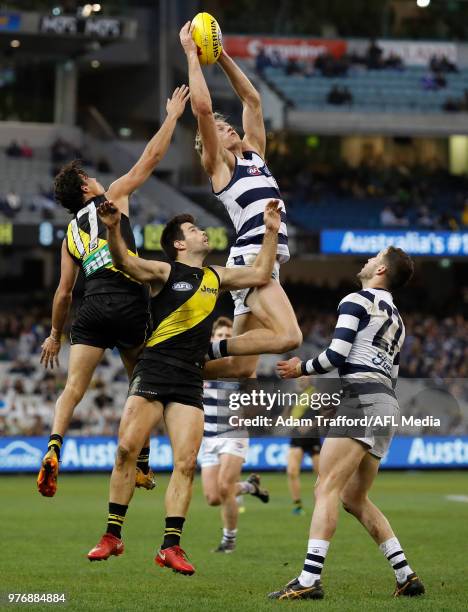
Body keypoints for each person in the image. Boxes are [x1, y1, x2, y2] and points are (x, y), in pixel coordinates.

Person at [87, 199, 282, 575]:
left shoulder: (216, 276)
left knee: (187, 463)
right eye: (193, 230)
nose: (201, 232)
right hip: (154, 369)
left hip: (190, 376)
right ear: (179, 243)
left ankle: (171, 546)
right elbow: (127, 261)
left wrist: (271, 231)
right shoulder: (164, 270)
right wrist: (112, 228)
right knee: (127, 448)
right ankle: (112, 535)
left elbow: (260, 273)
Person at [36, 86, 190, 498]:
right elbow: (150, 160)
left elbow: (64, 293)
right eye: (89, 177)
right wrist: (172, 116)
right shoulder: (113, 198)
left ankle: (53, 448)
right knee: (140, 384)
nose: (95, 178)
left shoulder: (70, 232)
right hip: (127, 297)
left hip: (91, 306)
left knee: (73, 389)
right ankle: (141, 461)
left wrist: (54, 335)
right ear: (86, 188)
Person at [269, 246, 425, 600]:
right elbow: (392, 375)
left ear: (382, 269)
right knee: (355, 497)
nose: (367, 260)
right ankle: (405, 574)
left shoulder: (356, 299)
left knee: (326, 488)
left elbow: (336, 355)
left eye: (374, 258)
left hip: (362, 401)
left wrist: (300, 368)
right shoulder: (397, 319)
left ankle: (309, 580)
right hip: (386, 403)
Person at [179, 21, 302, 381]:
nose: (227, 127)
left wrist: (220, 56)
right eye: (220, 129)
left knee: (241, 368)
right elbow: (202, 109)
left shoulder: (255, 155)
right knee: (290, 336)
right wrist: (192, 55)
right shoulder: (218, 165)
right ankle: (202, 347)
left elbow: (253, 99)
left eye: (227, 125)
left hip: (265, 259)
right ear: (209, 143)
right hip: (252, 260)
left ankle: (171, 367)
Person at [200, 316, 269, 554]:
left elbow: (257, 403)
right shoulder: (202, 365)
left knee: (224, 485)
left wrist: (247, 411)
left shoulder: (240, 367)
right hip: (207, 438)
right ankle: (250, 487)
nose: (223, 340)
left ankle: (228, 541)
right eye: (220, 336)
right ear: (212, 339)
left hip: (233, 433)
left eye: (228, 337)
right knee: (213, 497)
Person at [286, 378, 321, 516]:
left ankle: (319, 505)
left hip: (313, 438)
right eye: (299, 377)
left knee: (320, 474)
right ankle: (297, 505)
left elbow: (325, 415)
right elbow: (287, 414)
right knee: (292, 471)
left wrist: (310, 425)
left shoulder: (316, 394)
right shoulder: (292, 395)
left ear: (310, 378)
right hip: (296, 436)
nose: (301, 379)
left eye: (304, 376)